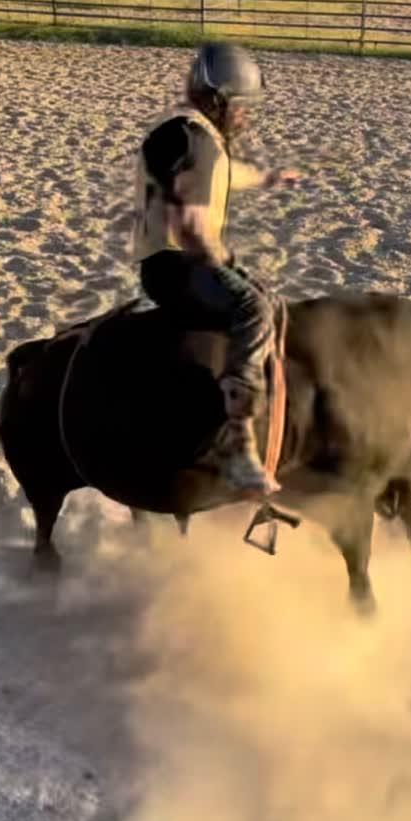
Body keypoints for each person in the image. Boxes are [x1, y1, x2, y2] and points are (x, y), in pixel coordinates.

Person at [133, 42, 299, 498]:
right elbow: (190, 227)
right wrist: (224, 261)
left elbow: (223, 173)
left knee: (256, 294)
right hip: (179, 264)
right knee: (253, 309)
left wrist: (267, 177)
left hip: (166, 262)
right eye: (242, 108)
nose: (246, 117)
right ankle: (238, 438)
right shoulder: (198, 142)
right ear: (218, 100)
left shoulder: (188, 134)